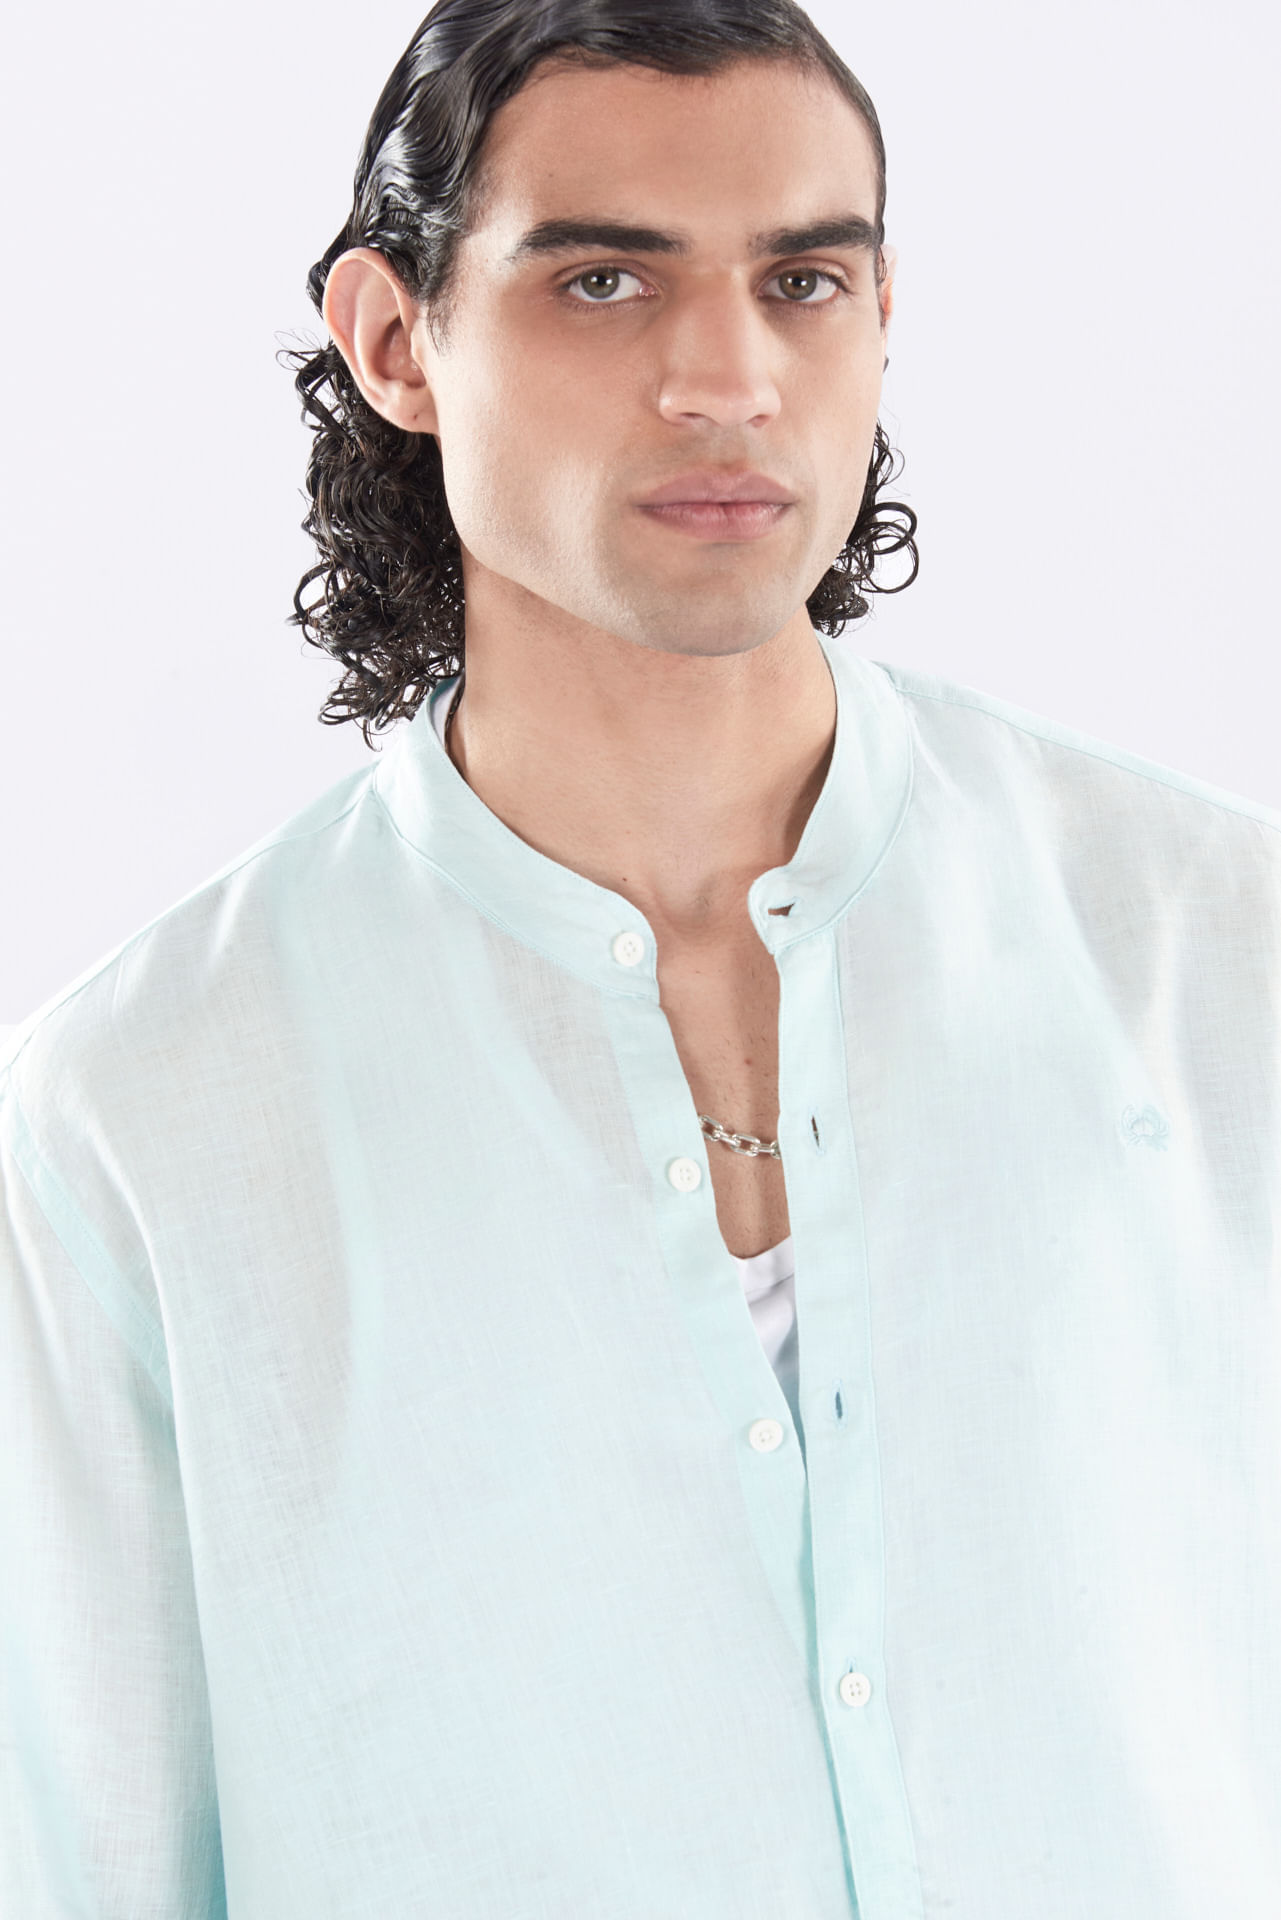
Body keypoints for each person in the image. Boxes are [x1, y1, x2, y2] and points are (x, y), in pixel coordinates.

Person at [3, 0, 1279, 1913]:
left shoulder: (1217, 947)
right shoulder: (144, 1114)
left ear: (878, 317)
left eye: (801, 282)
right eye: (603, 280)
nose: (725, 377)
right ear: (394, 340)